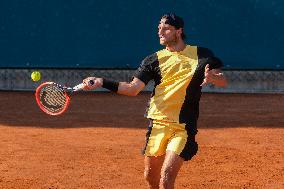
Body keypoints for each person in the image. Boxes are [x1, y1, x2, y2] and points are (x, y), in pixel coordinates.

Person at [82, 13, 227, 189]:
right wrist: (101, 82)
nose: (160, 32)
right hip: (157, 124)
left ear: (178, 31)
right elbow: (132, 88)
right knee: (151, 178)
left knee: (166, 177)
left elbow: (223, 80)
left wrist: (213, 78)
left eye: (165, 28)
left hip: (183, 126)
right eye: (159, 28)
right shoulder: (153, 60)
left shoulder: (202, 55)